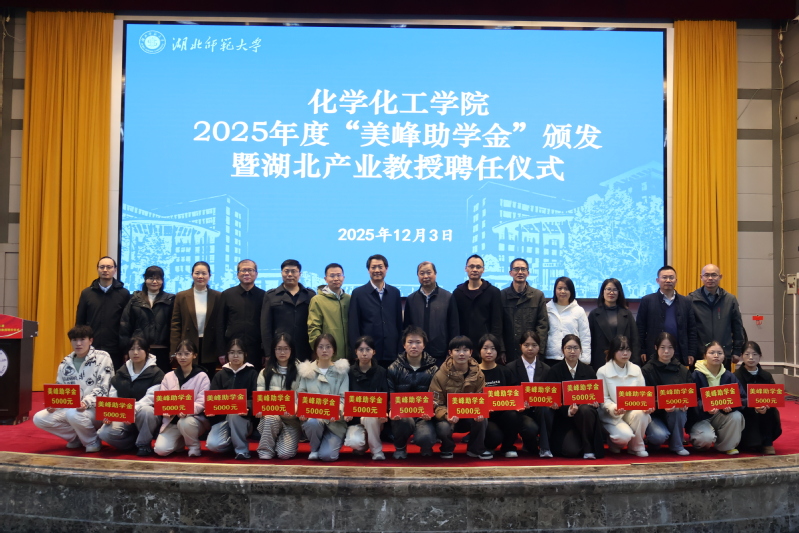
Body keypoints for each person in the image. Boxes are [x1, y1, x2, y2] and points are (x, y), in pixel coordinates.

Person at [33, 325, 114, 453]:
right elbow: (60, 388)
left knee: (74, 414)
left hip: (96, 408)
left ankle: (92, 441)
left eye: (82, 339)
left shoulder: (102, 357)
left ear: (90, 340)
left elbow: (103, 387)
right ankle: (77, 438)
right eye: (74, 340)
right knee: (39, 418)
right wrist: (55, 404)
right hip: (73, 408)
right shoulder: (65, 362)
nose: (78, 343)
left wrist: (85, 402)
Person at [97, 337, 164, 456]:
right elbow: (113, 397)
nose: (135, 353)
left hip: (145, 417)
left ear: (147, 351)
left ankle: (143, 444)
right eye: (132, 349)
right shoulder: (121, 372)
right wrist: (110, 413)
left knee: (147, 411)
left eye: (139, 349)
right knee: (104, 433)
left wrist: (131, 411)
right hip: (124, 417)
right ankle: (131, 444)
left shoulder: (156, 373)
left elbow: (151, 398)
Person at [430, 336, 491, 460]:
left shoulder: (479, 374)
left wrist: (480, 410)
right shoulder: (440, 375)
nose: (461, 354)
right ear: (450, 353)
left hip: (469, 416)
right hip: (448, 417)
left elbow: (482, 398)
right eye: (457, 350)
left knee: (482, 418)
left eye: (465, 350)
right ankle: (447, 448)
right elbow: (436, 402)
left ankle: (475, 449)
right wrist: (446, 414)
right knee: (443, 427)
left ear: (471, 352)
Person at [546, 335, 605, 459]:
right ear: (562, 350)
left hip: (586, 418)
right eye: (568, 348)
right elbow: (552, 399)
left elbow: (595, 396)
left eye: (575, 348)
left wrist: (595, 403)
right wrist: (568, 410)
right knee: (571, 451)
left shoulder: (589, 371)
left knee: (586, 409)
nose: (572, 351)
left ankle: (589, 448)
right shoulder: (554, 371)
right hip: (565, 420)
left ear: (581, 350)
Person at [387, 326, 439, 459]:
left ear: (424, 345)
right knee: (403, 421)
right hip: (402, 414)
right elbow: (390, 393)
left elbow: (437, 395)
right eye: (410, 342)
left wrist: (432, 408)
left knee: (426, 437)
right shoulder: (393, 368)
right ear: (404, 345)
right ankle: (400, 447)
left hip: (423, 416)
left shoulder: (433, 369)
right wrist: (391, 409)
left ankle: (426, 446)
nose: (414, 346)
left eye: (418, 342)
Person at [596, 335, 653, 457]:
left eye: (628, 349)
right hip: (612, 415)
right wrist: (614, 408)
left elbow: (643, 395)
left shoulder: (636, 369)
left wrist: (647, 406)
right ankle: (614, 443)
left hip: (631, 412)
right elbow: (603, 399)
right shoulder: (602, 371)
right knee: (623, 437)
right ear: (613, 351)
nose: (625, 353)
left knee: (642, 414)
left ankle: (636, 447)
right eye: (621, 350)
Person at [153, 339, 211, 457]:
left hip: (193, 421)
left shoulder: (202, 376)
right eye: (179, 354)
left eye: (187, 353)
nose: (182, 357)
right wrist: (166, 410)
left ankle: (194, 446)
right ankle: (180, 443)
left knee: (185, 422)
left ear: (194, 355)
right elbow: (162, 400)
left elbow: (202, 402)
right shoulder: (168, 376)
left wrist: (187, 410)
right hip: (172, 422)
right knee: (160, 450)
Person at [297, 334, 350, 461]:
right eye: (321, 347)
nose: (324, 350)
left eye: (328, 347)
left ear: (334, 350)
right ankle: (314, 448)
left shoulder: (341, 372)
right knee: (313, 422)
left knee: (328, 456)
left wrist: (338, 410)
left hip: (335, 423)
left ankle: (328, 444)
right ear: (315, 350)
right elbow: (301, 395)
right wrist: (302, 411)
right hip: (313, 419)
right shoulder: (307, 371)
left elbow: (344, 398)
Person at [688, 341, 746, 454]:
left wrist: (731, 406)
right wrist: (705, 406)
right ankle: (701, 438)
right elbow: (690, 400)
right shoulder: (695, 375)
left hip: (721, 415)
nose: (716, 356)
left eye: (720, 353)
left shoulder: (729, 376)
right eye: (712, 353)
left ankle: (726, 446)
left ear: (724, 356)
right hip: (700, 417)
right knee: (705, 440)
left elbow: (742, 398)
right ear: (705, 356)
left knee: (736, 416)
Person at [206, 338, 259, 460]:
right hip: (223, 420)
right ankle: (232, 444)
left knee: (234, 413)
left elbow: (256, 398)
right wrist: (211, 409)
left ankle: (242, 450)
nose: (235, 356)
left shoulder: (252, 373)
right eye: (232, 352)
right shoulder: (220, 375)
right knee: (213, 445)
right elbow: (212, 398)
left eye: (239, 352)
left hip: (243, 420)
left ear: (245, 354)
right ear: (227, 354)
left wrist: (247, 407)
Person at [75, 256, 131, 370]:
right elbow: (80, 322)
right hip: (91, 347)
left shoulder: (124, 293)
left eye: (109, 267)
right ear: (97, 269)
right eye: (102, 267)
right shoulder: (87, 293)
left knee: (113, 378)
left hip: (115, 349)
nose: (105, 270)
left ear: (115, 270)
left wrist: (126, 349)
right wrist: (80, 343)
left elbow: (127, 323)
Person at [641, 332, 693, 455]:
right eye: (662, 347)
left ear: (674, 349)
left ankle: (677, 445)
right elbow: (643, 399)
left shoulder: (683, 370)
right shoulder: (647, 370)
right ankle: (653, 441)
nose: (666, 351)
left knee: (678, 410)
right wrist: (661, 404)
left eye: (670, 348)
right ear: (656, 348)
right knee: (658, 436)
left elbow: (690, 394)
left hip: (675, 414)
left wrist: (686, 403)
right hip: (654, 414)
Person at [348, 254, 402, 367]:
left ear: (386, 269)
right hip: (367, 353)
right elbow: (354, 325)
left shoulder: (394, 293)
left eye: (380, 267)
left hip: (391, 352)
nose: (377, 270)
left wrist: (400, 349)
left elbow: (398, 324)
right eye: (373, 267)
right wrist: (356, 351)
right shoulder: (358, 293)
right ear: (368, 270)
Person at [636, 266, 698, 366]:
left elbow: (692, 329)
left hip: (679, 352)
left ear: (676, 280)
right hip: (654, 353)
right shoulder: (647, 300)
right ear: (657, 280)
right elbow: (640, 328)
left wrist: (691, 352)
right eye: (664, 277)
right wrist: (642, 350)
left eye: (671, 277)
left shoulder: (686, 301)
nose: (668, 280)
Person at [119, 265, 175, 374]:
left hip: (163, 351)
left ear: (162, 280)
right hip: (139, 349)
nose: (154, 282)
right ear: (145, 280)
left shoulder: (170, 300)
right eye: (151, 278)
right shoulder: (135, 299)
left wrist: (173, 350)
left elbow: (174, 327)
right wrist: (126, 350)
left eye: (158, 278)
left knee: (162, 380)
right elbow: (125, 325)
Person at [506, 331, 554, 458]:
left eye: (534, 345)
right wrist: (518, 404)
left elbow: (550, 392)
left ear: (539, 347)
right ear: (520, 346)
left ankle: (545, 447)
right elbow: (509, 393)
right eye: (526, 345)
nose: (530, 348)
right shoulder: (511, 367)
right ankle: (529, 444)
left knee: (546, 410)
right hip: (521, 412)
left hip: (541, 411)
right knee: (530, 428)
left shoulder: (546, 369)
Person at [403, 261, 460, 366]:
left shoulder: (448, 297)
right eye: (422, 273)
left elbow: (454, 327)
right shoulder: (411, 299)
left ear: (435, 274)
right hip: (417, 355)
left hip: (441, 354)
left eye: (429, 273)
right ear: (417, 276)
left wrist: (451, 351)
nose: (425, 276)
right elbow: (407, 328)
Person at [689, 264, 745, 369]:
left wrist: (737, 351)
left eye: (714, 275)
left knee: (723, 380)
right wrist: (690, 353)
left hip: (723, 355)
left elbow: (737, 327)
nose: (710, 278)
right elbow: (688, 330)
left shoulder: (730, 300)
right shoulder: (691, 300)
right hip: (699, 356)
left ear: (720, 277)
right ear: (701, 277)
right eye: (706, 275)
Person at [255, 333, 301, 460]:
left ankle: (279, 443)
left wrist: (295, 408)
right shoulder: (264, 373)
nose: (282, 352)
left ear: (292, 350)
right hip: (271, 418)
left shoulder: (301, 372)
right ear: (273, 350)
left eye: (286, 348)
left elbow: (303, 397)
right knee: (271, 418)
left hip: (291, 420)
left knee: (284, 454)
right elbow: (260, 397)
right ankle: (265, 449)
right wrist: (259, 409)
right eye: (279, 349)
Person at [170, 261, 221, 375]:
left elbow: (220, 324)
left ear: (209, 275)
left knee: (208, 377)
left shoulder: (218, 296)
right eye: (197, 273)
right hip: (188, 344)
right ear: (192, 275)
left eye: (204, 273)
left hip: (209, 345)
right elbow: (175, 324)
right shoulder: (181, 296)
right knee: (188, 378)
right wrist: (174, 350)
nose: (200, 276)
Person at [261, 259, 316, 362]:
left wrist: (315, 350)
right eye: (286, 271)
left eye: (293, 271)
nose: (290, 274)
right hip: (280, 349)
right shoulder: (271, 296)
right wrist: (268, 352)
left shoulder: (310, 295)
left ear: (300, 274)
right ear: (281, 273)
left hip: (305, 349)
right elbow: (266, 327)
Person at [215, 259, 266, 368]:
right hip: (232, 349)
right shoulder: (227, 295)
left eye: (250, 270)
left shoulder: (264, 296)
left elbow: (266, 326)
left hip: (256, 350)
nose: (246, 273)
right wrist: (221, 351)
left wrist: (265, 352)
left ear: (256, 274)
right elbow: (220, 325)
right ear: (238, 274)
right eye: (243, 270)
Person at [344, 336, 389, 460]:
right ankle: (365, 444)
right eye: (361, 350)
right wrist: (346, 411)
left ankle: (377, 451)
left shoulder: (381, 372)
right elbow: (344, 395)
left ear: (374, 352)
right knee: (354, 443)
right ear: (356, 352)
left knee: (369, 417)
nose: (364, 353)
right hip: (355, 419)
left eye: (368, 349)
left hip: (375, 419)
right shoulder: (349, 372)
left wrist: (384, 411)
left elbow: (385, 395)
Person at [734, 341, 781, 454]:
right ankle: (745, 442)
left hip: (764, 410)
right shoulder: (736, 376)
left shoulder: (767, 376)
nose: (751, 357)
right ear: (742, 356)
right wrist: (753, 406)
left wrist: (766, 405)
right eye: (747, 354)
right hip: (745, 410)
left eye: (754, 354)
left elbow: (774, 396)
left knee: (771, 410)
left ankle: (767, 443)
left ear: (760, 356)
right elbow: (736, 400)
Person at [478, 333, 520, 458]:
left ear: (497, 352)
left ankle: (508, 447)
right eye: (485, 348)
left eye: (493, 348)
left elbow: (515, 393)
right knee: (495, 436)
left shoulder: (505, 371)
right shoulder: (474, 372)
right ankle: (486, 446)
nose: (489, 352)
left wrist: (519, 404)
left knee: (513, 415)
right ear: (479, 351)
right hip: (485, 417)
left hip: (502, 413)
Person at [453, 254, 504, 357]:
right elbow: (454, 322)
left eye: (478, 267)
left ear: (483, 270)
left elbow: (497, 323)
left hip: (486, 347)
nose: (475, 270)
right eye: (471, 266)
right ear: (466, 269)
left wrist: (493, 345)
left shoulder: (493, 292)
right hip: (464, 347)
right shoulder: (458, 293)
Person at [499, 258, 548, 363]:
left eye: (523, 269)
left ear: (528, 273)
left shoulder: (537, 296)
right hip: (509, 351)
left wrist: (538, 350)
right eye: (516, 269)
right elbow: (498, 325)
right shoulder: (501, 296)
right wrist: (501, 350)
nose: (520, 272)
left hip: (531, 351)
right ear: (510, 273)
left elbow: (542, 325)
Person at [587, 278, 641, 370]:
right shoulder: (594, 314)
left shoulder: (627, 314)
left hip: (623, 361)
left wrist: (635, 361)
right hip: (600, 361)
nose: (611, 292)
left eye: (615, 290)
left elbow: (635, 340)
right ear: (603, 292)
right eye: (608, 289)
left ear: (619, 293)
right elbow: (589, 340)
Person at [308, 263, 350, 362]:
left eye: (339, 275)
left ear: (343, 278)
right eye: (332, 276)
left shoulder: (349, 299)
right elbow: (314, 328)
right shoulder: (317, 300)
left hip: (349, 357)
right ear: (325, 279)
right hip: (327, 357)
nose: (336, 279)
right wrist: (320, 351)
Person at [545, 276, 591, 365]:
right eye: (560, 288)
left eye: (566, 289)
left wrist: (585, 359)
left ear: (571, 291)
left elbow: (585, 336)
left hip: (572, 358)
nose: (563, 291)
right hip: (550, 357)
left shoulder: (579, 310)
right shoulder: (547, 308)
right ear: (555, 290)